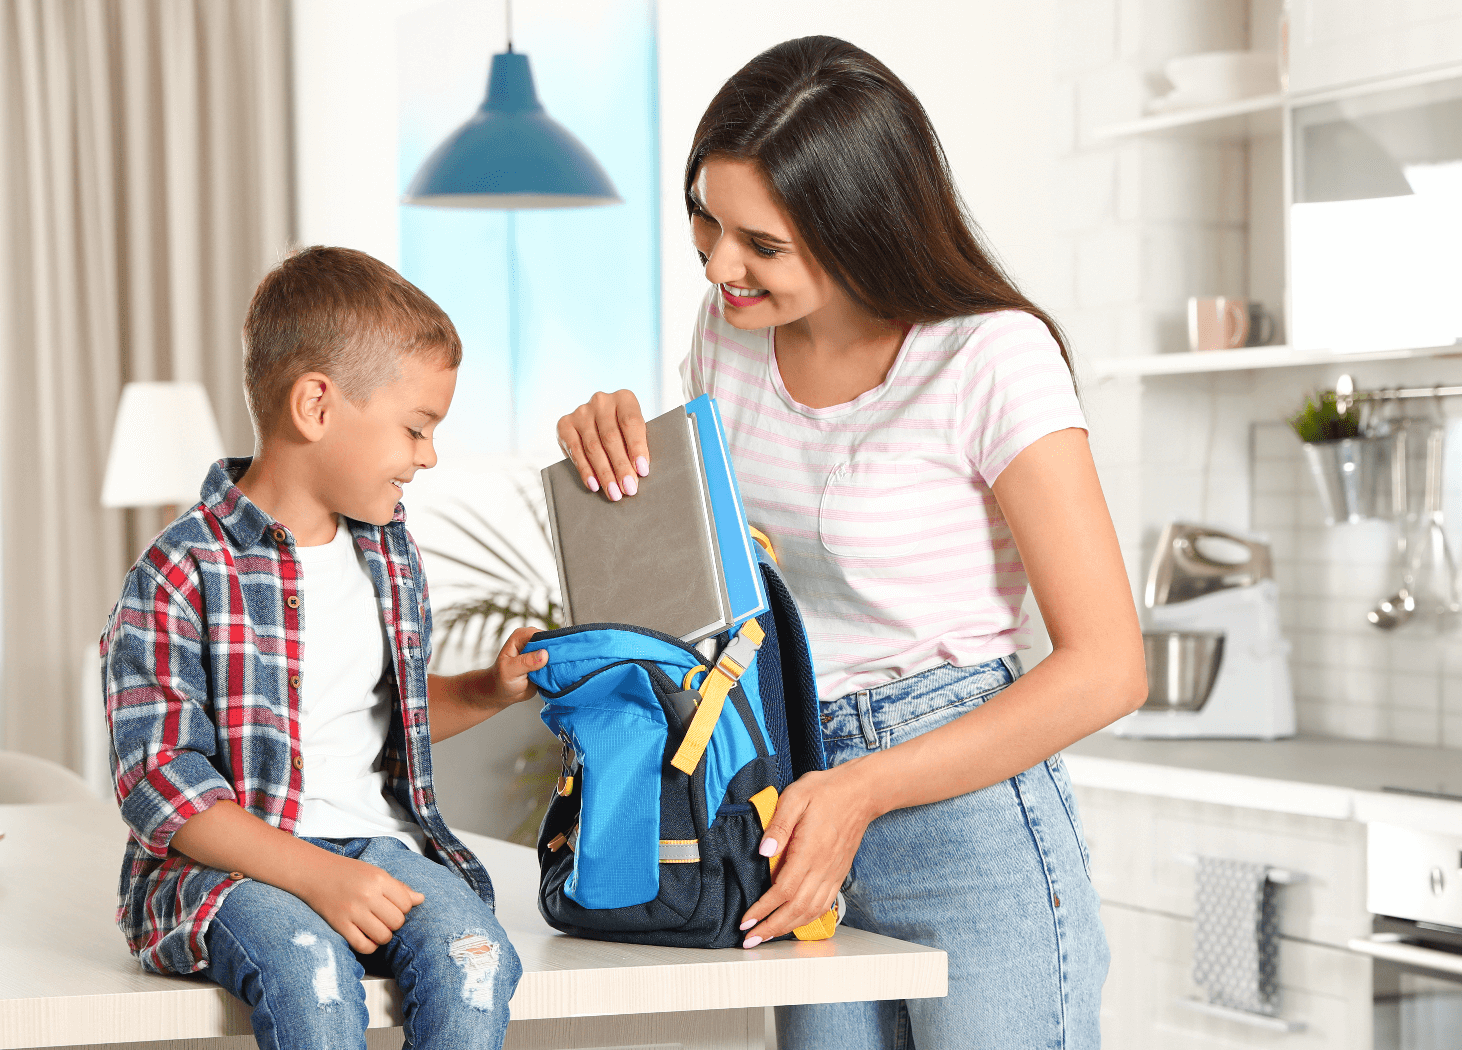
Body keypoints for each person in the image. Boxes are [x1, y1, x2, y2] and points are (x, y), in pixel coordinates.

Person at [555, 36, 1146, 1050]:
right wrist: (621, 457)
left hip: (966, 814)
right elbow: (718, 585)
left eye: (761, 244)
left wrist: (864, 789)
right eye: (706, 221)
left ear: (861, 227)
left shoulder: (990, 357)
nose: (720, 264)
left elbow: (1109, 669)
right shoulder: (727, 331)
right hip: (789, 787)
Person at [101, 246, 547, 1050]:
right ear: (316, 405)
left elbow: (385, 717)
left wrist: (484, 689)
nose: (429, 455)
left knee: (476, 959)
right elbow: (160, 786)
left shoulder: (387, 552)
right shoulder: (178, 572)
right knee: (309, 970)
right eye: (416, 427)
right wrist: (318, 875)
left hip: (375, 845)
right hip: (226, 873)